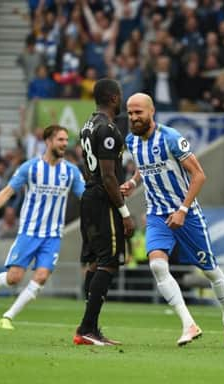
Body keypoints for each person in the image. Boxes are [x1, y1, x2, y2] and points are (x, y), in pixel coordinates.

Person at [121, 93, 224, 349]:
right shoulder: (131, 141)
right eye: (130, 113)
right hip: (156, 214)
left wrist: (183, 209)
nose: (133, 117)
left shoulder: (171, 138)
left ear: (151, 112)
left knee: (210, 271)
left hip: (187, 215)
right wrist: (133, 182)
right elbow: (144, 165)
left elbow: (199, 175)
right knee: (157, 267)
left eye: (138, 112)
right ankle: (189, 323)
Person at [0, 125, 85, 329]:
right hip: (29, 232)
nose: (65, 144)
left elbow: (86, 197)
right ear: (48, 141)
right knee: (14, 278)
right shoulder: (30, 167)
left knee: (42, 276)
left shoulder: (71, 172)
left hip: (53, 235)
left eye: (66, 140)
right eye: (60, 140)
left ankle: (7, 317)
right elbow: (7, 193)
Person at [74, 78, 135, 346]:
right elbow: (109, 176)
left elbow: (92, 169)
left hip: (89, 195)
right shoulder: (108, 129)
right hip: (102, 198)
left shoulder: (87, 125)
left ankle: (91, 328)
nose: (121, 100)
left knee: (95, 262)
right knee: (108, 261)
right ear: (113, 98)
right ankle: (87, 328)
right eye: (120, 96)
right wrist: (124, 212)